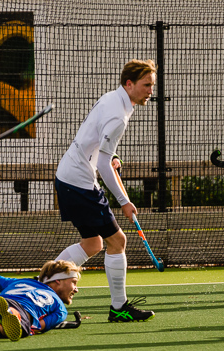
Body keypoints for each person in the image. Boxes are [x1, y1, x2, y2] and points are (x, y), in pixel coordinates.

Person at [51, 59, 157, 323]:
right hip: (79, 182)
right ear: (129, 84)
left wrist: (110, 155)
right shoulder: (118, 114)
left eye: (152, 85)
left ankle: (41, 287)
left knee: (93, 243)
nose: (150, 91)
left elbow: (96, 140)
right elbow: (101, 163)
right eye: (146, 85)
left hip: (70, 177)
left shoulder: (112, 98)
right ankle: (118, 308)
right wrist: (124, 201)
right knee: (117, 241)